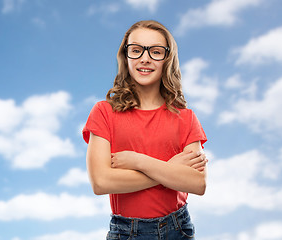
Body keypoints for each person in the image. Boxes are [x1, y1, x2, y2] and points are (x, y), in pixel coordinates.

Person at [82, 20, 208, 240]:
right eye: (137, 50)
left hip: (177, 229)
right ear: (126, 56)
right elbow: (101, 182)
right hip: (125, 231)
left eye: (156, 51)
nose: (145, 58)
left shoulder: (186, 118)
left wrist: (139, 161)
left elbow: (197, 183)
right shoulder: (104, 112)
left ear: (167, 59)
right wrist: (170, 170)